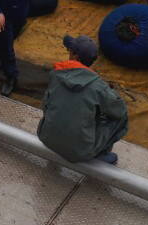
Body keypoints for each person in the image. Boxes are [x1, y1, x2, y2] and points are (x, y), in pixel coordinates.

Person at [37, 35, 128, 165]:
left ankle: (58, 138)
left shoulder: (56, 74)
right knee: (120, 118)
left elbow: (46, 104)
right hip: (79, 151)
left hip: (46, 137)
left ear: (75, 56)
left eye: (70, 50)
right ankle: (100, 154)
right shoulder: (99, 86)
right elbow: (119, 111)